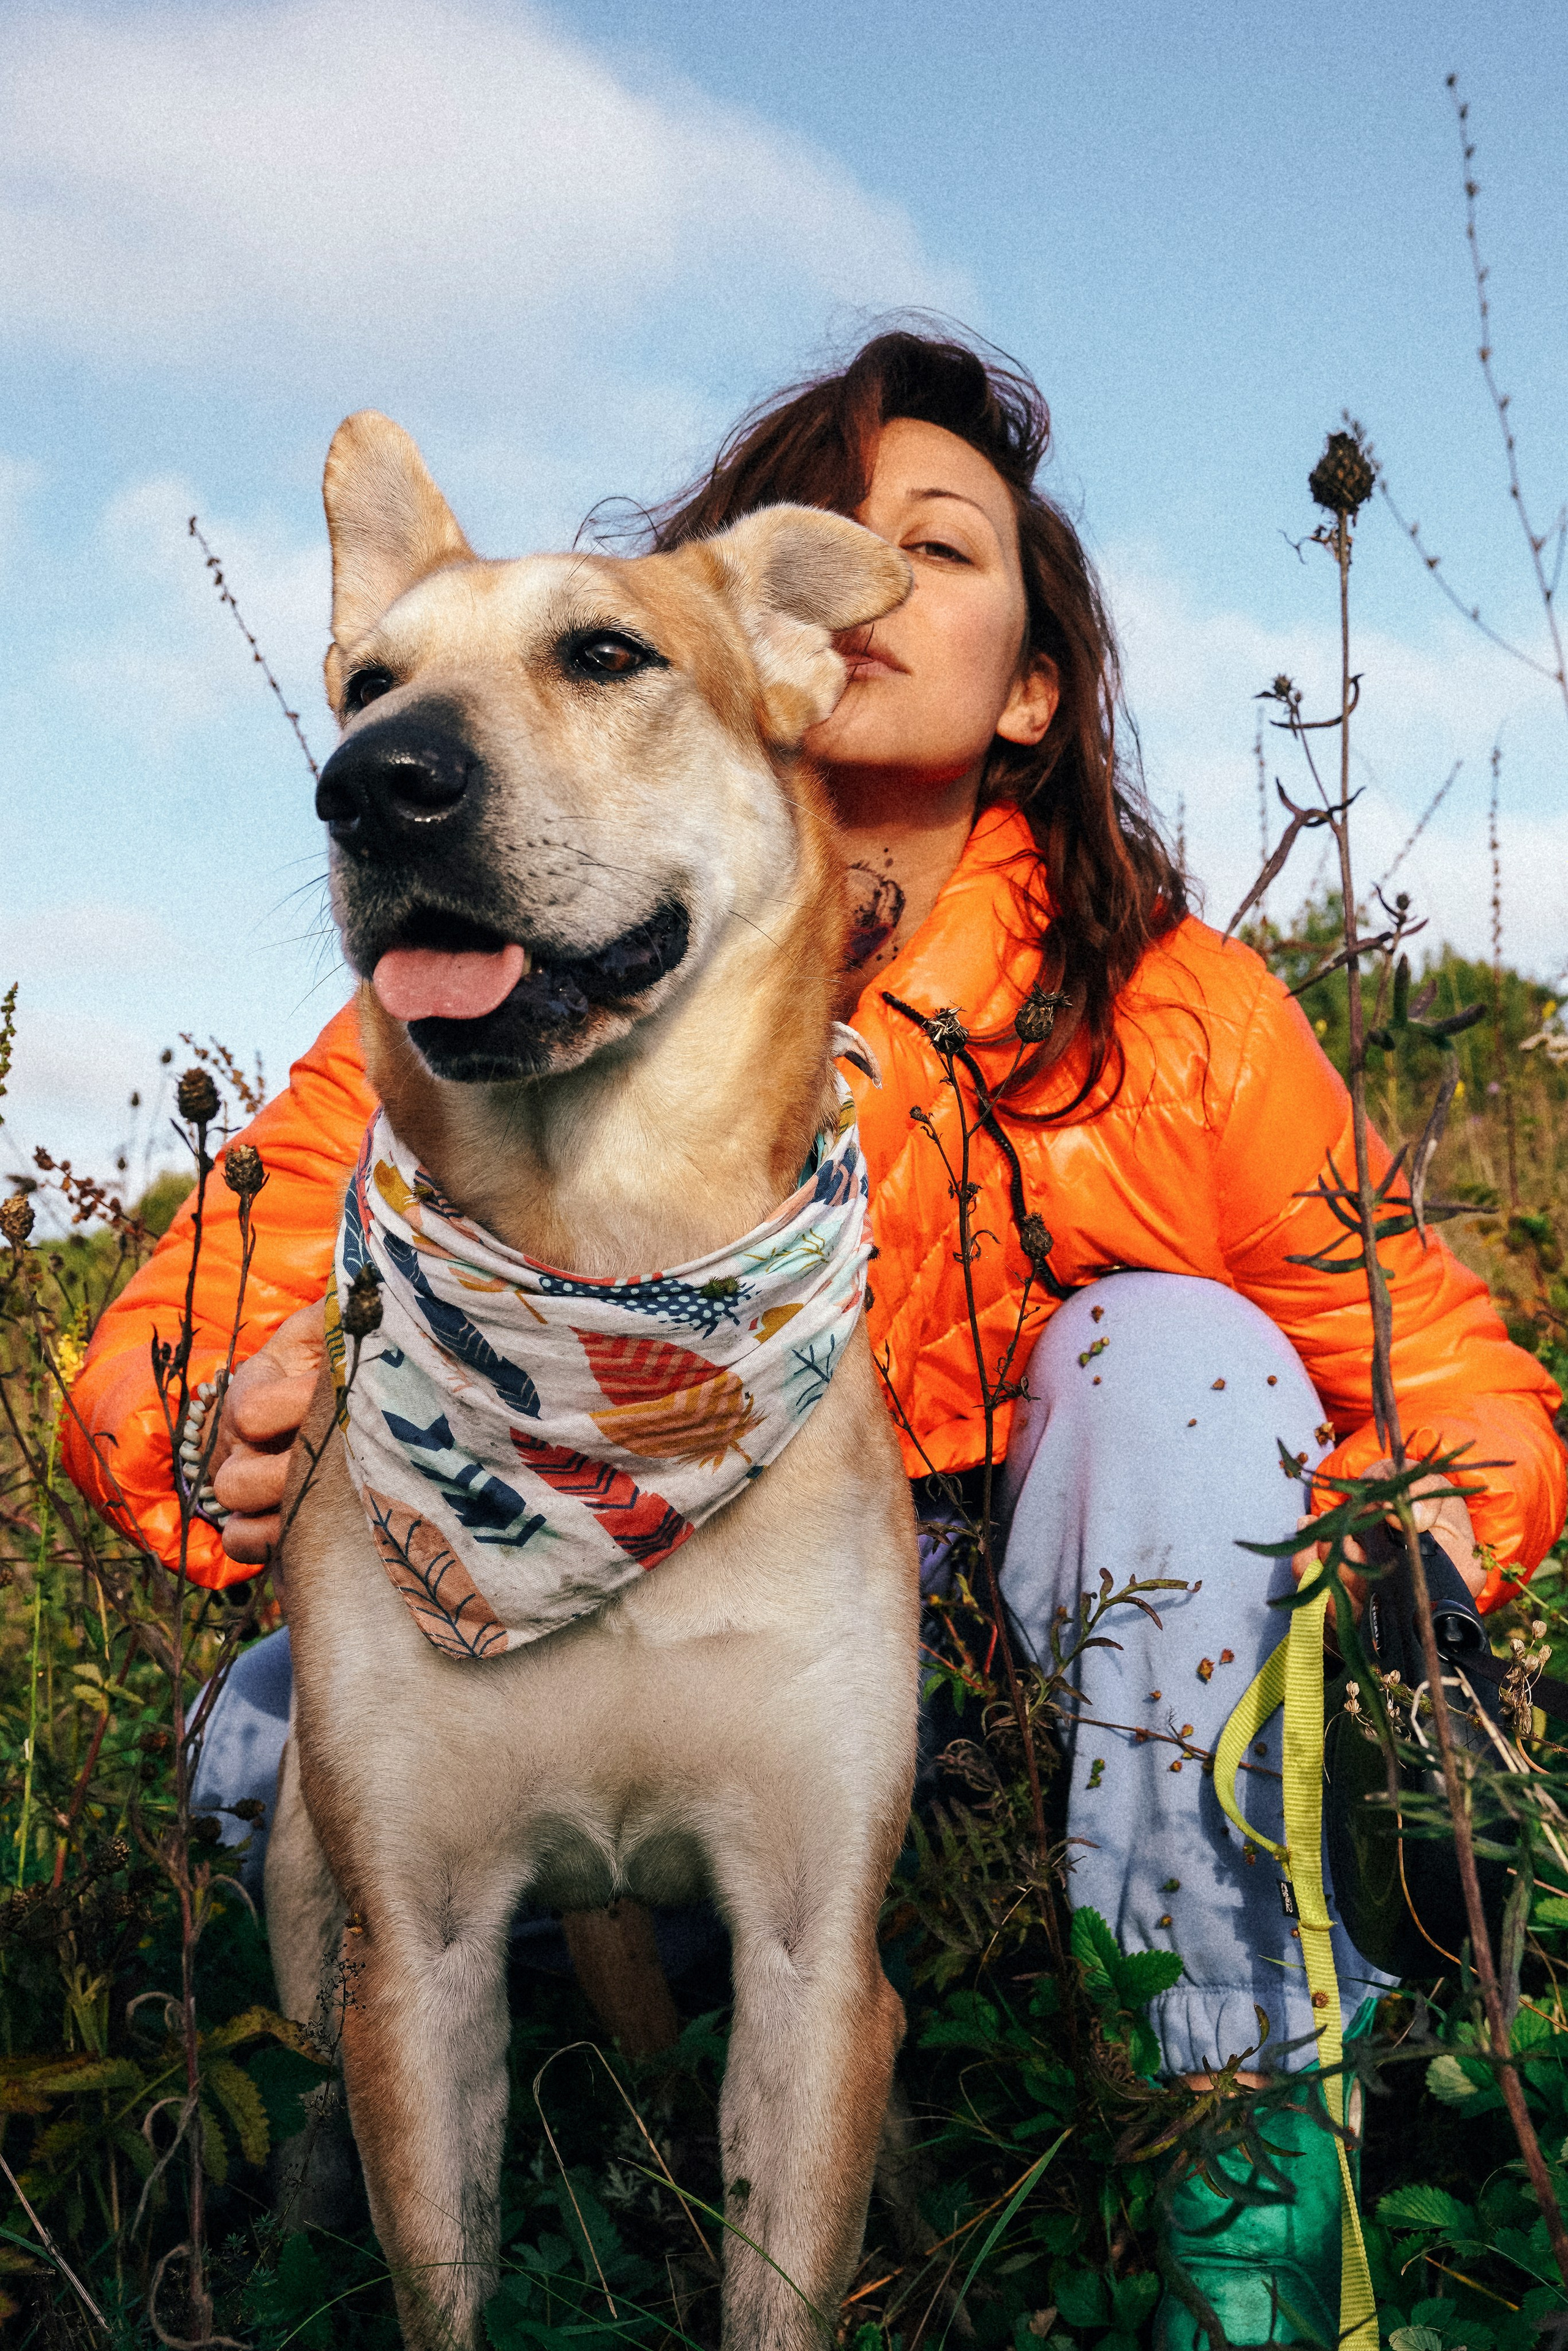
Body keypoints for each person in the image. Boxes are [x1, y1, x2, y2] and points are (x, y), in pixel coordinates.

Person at [63, 330, 1564, 2345]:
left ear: (1030, 686)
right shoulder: (480, 986)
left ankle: (1237, 2147)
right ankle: (513, 2149)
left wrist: (1419, 1559)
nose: (862, 580)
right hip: (566, 1667)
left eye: (938, 550)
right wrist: (219, 1426)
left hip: (1018, 1700)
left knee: (1174, 1359)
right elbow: (178, 1335)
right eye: (812, 532)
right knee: (260, 1746)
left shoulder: (1180, 1016)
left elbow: (1440, 1365)